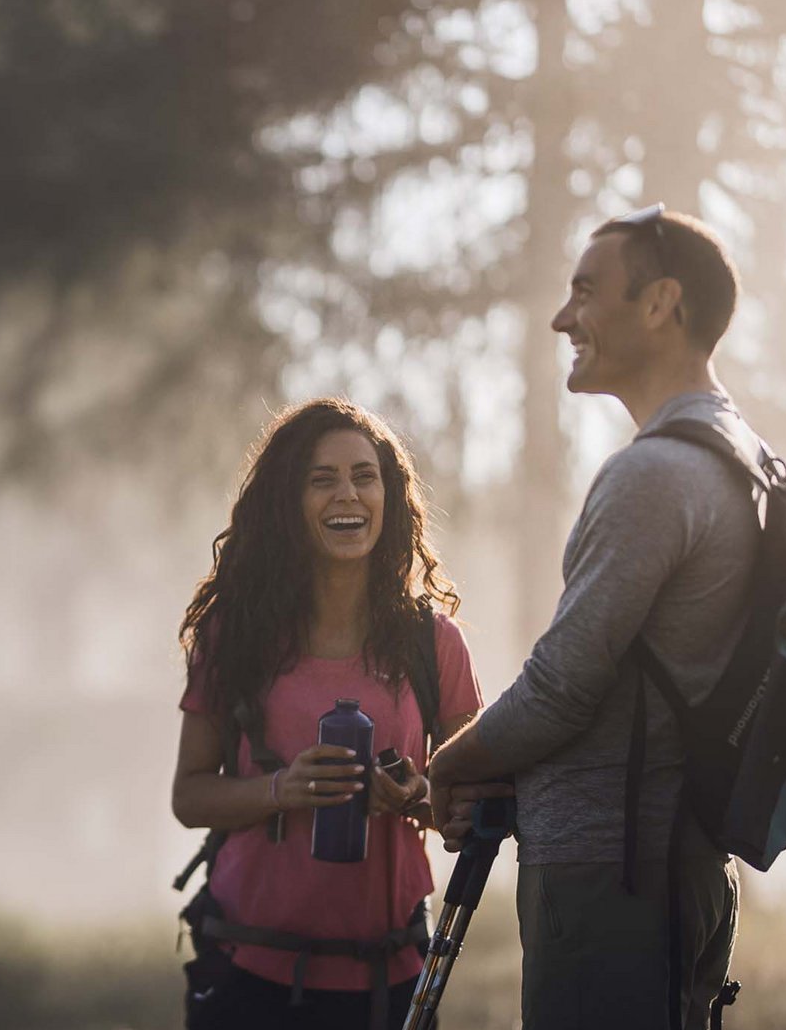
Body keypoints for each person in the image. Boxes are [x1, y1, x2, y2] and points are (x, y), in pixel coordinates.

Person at [428, 205, 753, 1029]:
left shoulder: (654, 476)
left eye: (584, 292)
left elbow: (561, 689)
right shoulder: (739, 458)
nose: (561, 318)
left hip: (613, 878)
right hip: (676, 864)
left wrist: (448, 767)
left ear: (659, 304)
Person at [172, 398, 483, 1030]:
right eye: (322, 479)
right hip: (246, 972)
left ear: (389, 495)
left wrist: (416, 794)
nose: (349, 495)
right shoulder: (234, 635)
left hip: (387, 978)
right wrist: (283, 789)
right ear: (287, 502)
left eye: (365, 476)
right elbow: (190, 797)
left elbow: (478, 805)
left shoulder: (434, 643)